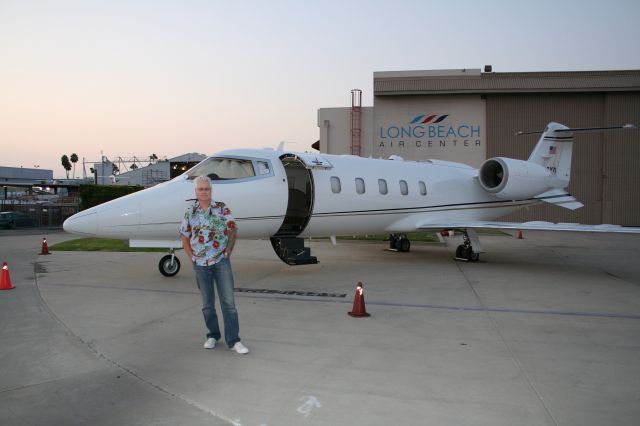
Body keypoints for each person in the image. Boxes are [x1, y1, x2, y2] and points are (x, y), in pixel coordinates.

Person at [179, 175, 249, 354]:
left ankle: (234, 341)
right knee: (207, 304)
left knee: (229, 303)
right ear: (196, 191)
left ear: (211, 191)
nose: (204, 192)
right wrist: (191, 256)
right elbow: (184, 236)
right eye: (201, 189)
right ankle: (212, 335)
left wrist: (228, 251)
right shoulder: (190, 212)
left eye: (207, 189)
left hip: (221, 262)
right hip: (200, 264)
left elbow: (232, 229)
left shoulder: (222, 208)